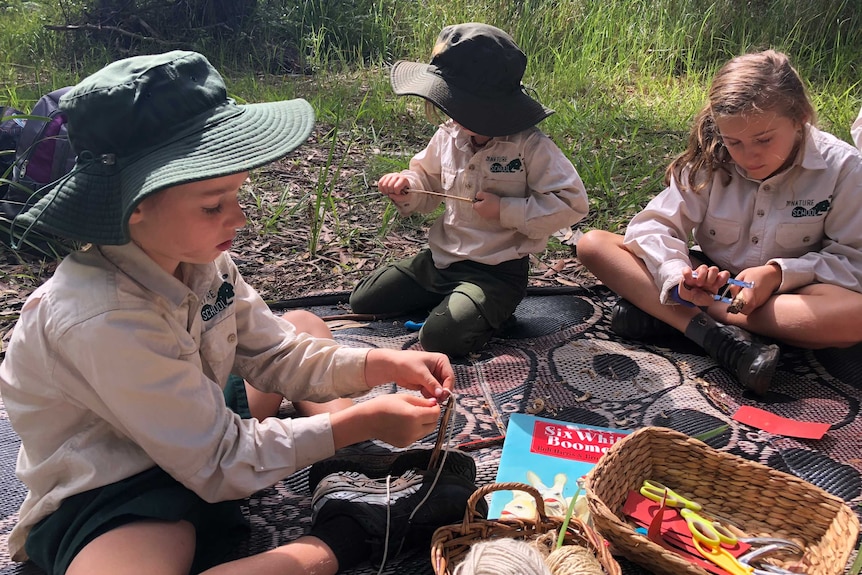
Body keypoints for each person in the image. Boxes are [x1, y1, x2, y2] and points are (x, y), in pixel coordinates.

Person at [0, 50, 477, 575]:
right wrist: (356, 420)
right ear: (135, 207)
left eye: (236, 194)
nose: (240, 217)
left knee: (303, 327)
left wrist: (378, 367)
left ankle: (347, 465)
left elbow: (275, 351)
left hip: (196, 416)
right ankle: (349, 532)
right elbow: (218, 459)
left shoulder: (201, 260)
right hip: (119, 482)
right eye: (213, 204)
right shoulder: (100, 318)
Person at [576, 49, 862, 396]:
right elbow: (653, 226)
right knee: (594, 245)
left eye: (764, 140)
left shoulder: (844, 168)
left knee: (855, 315)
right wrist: (680, 275)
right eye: (734, 142)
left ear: (801, 117)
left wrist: (777, 273)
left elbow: (853, 261)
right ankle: (720, 337)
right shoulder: (710, 158)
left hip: (788, 294)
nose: (748, 156)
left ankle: (684, 320)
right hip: (715, 280)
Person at [349, 23, 589, 357]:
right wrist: (407, 187)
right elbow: (426, 180)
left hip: (496, 272)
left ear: (493, 108)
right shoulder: (449, 135)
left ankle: (482, 309)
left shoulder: (529, 147)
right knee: (363, 298)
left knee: (439, 340)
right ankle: (453, 301)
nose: (450, 113)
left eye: (457, 104)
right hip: (441, 261)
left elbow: (572, 203)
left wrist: (505, 210)